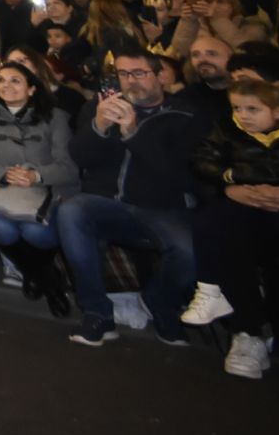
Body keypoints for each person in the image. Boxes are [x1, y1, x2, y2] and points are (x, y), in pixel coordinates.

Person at [56, 48, 209, 346]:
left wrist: (133, 133)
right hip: (106, 203)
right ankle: (97, 312)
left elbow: (185, 175)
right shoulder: (100, 106)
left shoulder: (186, 115)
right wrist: (99, 126)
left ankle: (160, 302)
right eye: (123, 74)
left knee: (188, 253)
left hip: (164, 207)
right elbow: (80, 157)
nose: (130, 81)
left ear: (161, 76)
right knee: (71, 211)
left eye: (139, 73)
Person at [181, 78, 279, 379]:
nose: (244, 115)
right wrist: (229, 181)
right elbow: (202, 162)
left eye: (253, 109)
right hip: (242, 211)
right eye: (238, 108)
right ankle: (244, 328)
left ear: (277, 111)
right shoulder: (227, 130)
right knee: (217, 226)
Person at [0, 61, 76, 315]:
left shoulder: (55, 117)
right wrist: (4, 174)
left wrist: (36, 175)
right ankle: (48, 280)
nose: (6, 86)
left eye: (15, 80)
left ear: (31, 89)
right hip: (3, 187)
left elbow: (68, 165)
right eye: (1, 80)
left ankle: (35, 274)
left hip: (46, 189)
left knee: (35, 232)